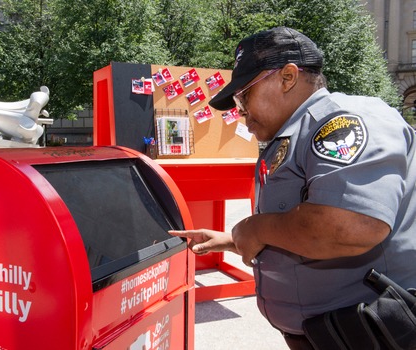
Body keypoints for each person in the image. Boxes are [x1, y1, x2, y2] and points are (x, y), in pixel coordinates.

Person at [169, 26, 416, 349]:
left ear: (288, 77)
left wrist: (256, 228)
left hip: (369, 335)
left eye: (244, 96)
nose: (240, 112)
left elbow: (350, 227)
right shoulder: (295, 133)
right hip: (330, 334)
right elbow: (297, 222)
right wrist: (233, 239)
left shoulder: (342, 121)